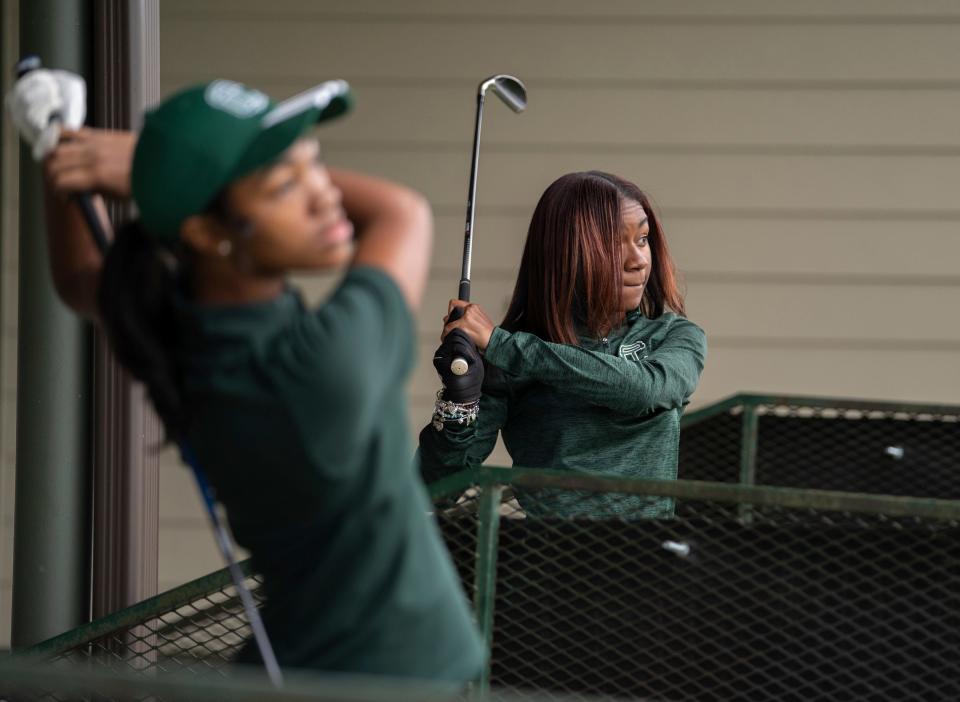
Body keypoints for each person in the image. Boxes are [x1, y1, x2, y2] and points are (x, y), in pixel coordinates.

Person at [14, 74, 484, 684]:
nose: (321, 194)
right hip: (396, 670)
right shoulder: (321, 369)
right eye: (283, 184)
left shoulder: (181, 333)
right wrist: (146, 164)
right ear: (208, 233)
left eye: (314, 163)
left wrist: (63, 156)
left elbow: (82, 279)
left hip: (298, 660)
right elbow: (402, 212)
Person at [418, 171, 707, 519]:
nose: (639, 260)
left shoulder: (674, 336)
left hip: (646, 560)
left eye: (643, 239)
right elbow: (436, 492)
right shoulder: (507, 358)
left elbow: (644, 389)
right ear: (567, 253)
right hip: (550, 563)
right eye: (617, 243)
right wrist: (459, 401)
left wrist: (504, 345)